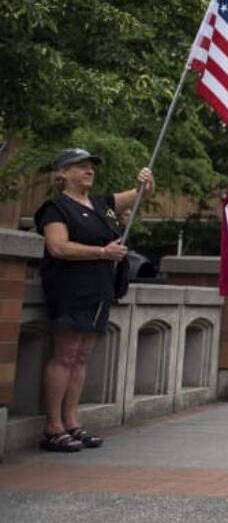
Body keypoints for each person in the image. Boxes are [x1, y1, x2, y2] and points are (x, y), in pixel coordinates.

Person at [34, 148, 154, 452]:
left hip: (101, 291)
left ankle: (72, 421)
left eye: (91, 167)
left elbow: (140, 195)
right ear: (62, 173)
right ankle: (53, 426)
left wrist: (146, 180)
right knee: (65, 354)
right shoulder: (56, 208)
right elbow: (58, 247)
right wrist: (102, 253)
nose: (89, 171)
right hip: (70, 290)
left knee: (82, 356)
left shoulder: (102, 204)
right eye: (81, 167)